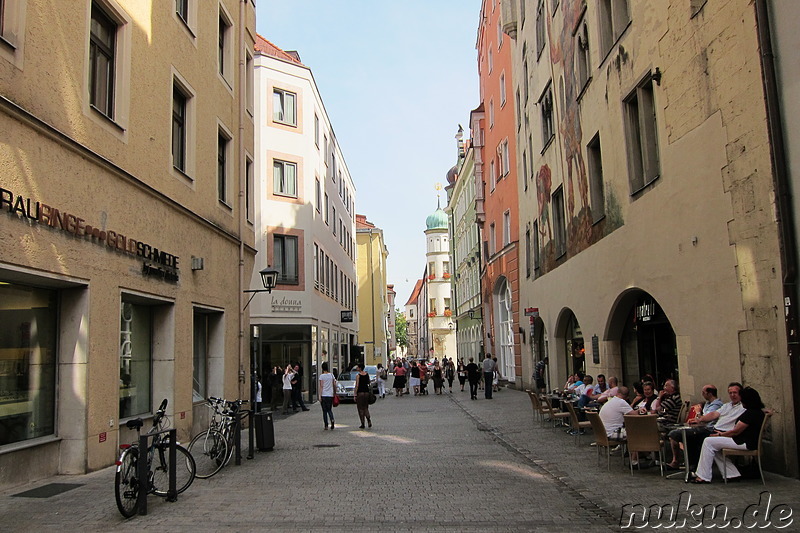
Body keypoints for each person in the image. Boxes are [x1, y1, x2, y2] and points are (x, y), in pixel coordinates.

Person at [693, 386, 766, 483]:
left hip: (744, 442)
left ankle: (703, 476)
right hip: (746, 441)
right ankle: (732, 474)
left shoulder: (750, 414)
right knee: (713, 446)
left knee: (708, 441)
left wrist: (720, 435)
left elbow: (735, 431)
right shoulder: (757, 412)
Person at [671, 382, 745, 471]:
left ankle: (699, 470)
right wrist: (700, 419)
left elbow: (755, 411)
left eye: (735, 393)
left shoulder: (743, 407)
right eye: (730, 393)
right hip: (714, 430)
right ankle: (693, 466)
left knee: (691, 436)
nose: (732, 395)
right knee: (686, 435)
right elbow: (714, 414)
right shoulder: (727, 405)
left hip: (723, 433)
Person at [666, 384, 723, 470]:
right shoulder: (708, 403)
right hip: (701, 428)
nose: (702, 394)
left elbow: (706, 418)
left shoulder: (716, 405)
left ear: (709, 394)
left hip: (708, 430)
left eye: (703, 392)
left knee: (676, 434)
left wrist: (698, 413)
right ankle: (690, 463)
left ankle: (678, 462)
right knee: (680, 434)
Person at [318, 362, 337, 430]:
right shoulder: (331, 375)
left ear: (322, 368)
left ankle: (326, 425)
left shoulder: (321, 376)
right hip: (330, 395)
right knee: (329, 409)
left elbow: (321, 386)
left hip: (324, 394)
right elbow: (334, 384)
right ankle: (332, 419)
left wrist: (320, 396)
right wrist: (335, 392)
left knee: (324, 411)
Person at [354, 363, 372, 429]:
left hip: (360, 392)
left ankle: (362, 423)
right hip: (366, 392)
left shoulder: (358, 376)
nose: (356, 368)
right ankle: (369, 420)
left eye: (357, 367)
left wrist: (355, 394)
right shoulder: (367, 374)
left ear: (360, 368)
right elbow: (369, 382)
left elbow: (357, 385)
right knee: (366, 407)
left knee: (360, 408)